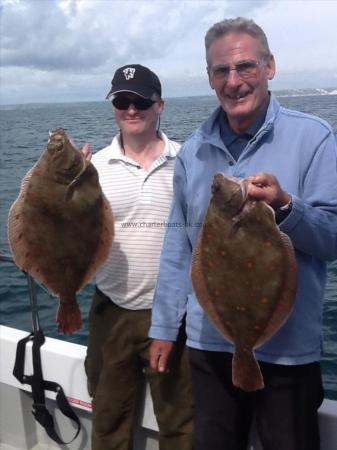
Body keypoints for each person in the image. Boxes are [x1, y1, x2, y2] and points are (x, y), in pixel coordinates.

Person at [149, 17, 337, 450]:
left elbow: (331, 239)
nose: (234, 81)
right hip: (209, 344)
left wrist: (286, 206)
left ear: (270, 67)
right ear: (210, 77)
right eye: (221, 71)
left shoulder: (314, 138)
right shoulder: (193, 152)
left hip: (289, 353)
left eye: (246, 67)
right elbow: (179, 247)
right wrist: (163, 327)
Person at [85, 64, 193, 450]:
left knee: (182, 424)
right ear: (114, 107)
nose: (132, 109)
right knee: (108, 420)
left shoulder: (187, 161)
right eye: (122, 101)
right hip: (110, 310)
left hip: (173, 316)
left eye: (141, 101)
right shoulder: (93, 168)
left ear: (159, 105)